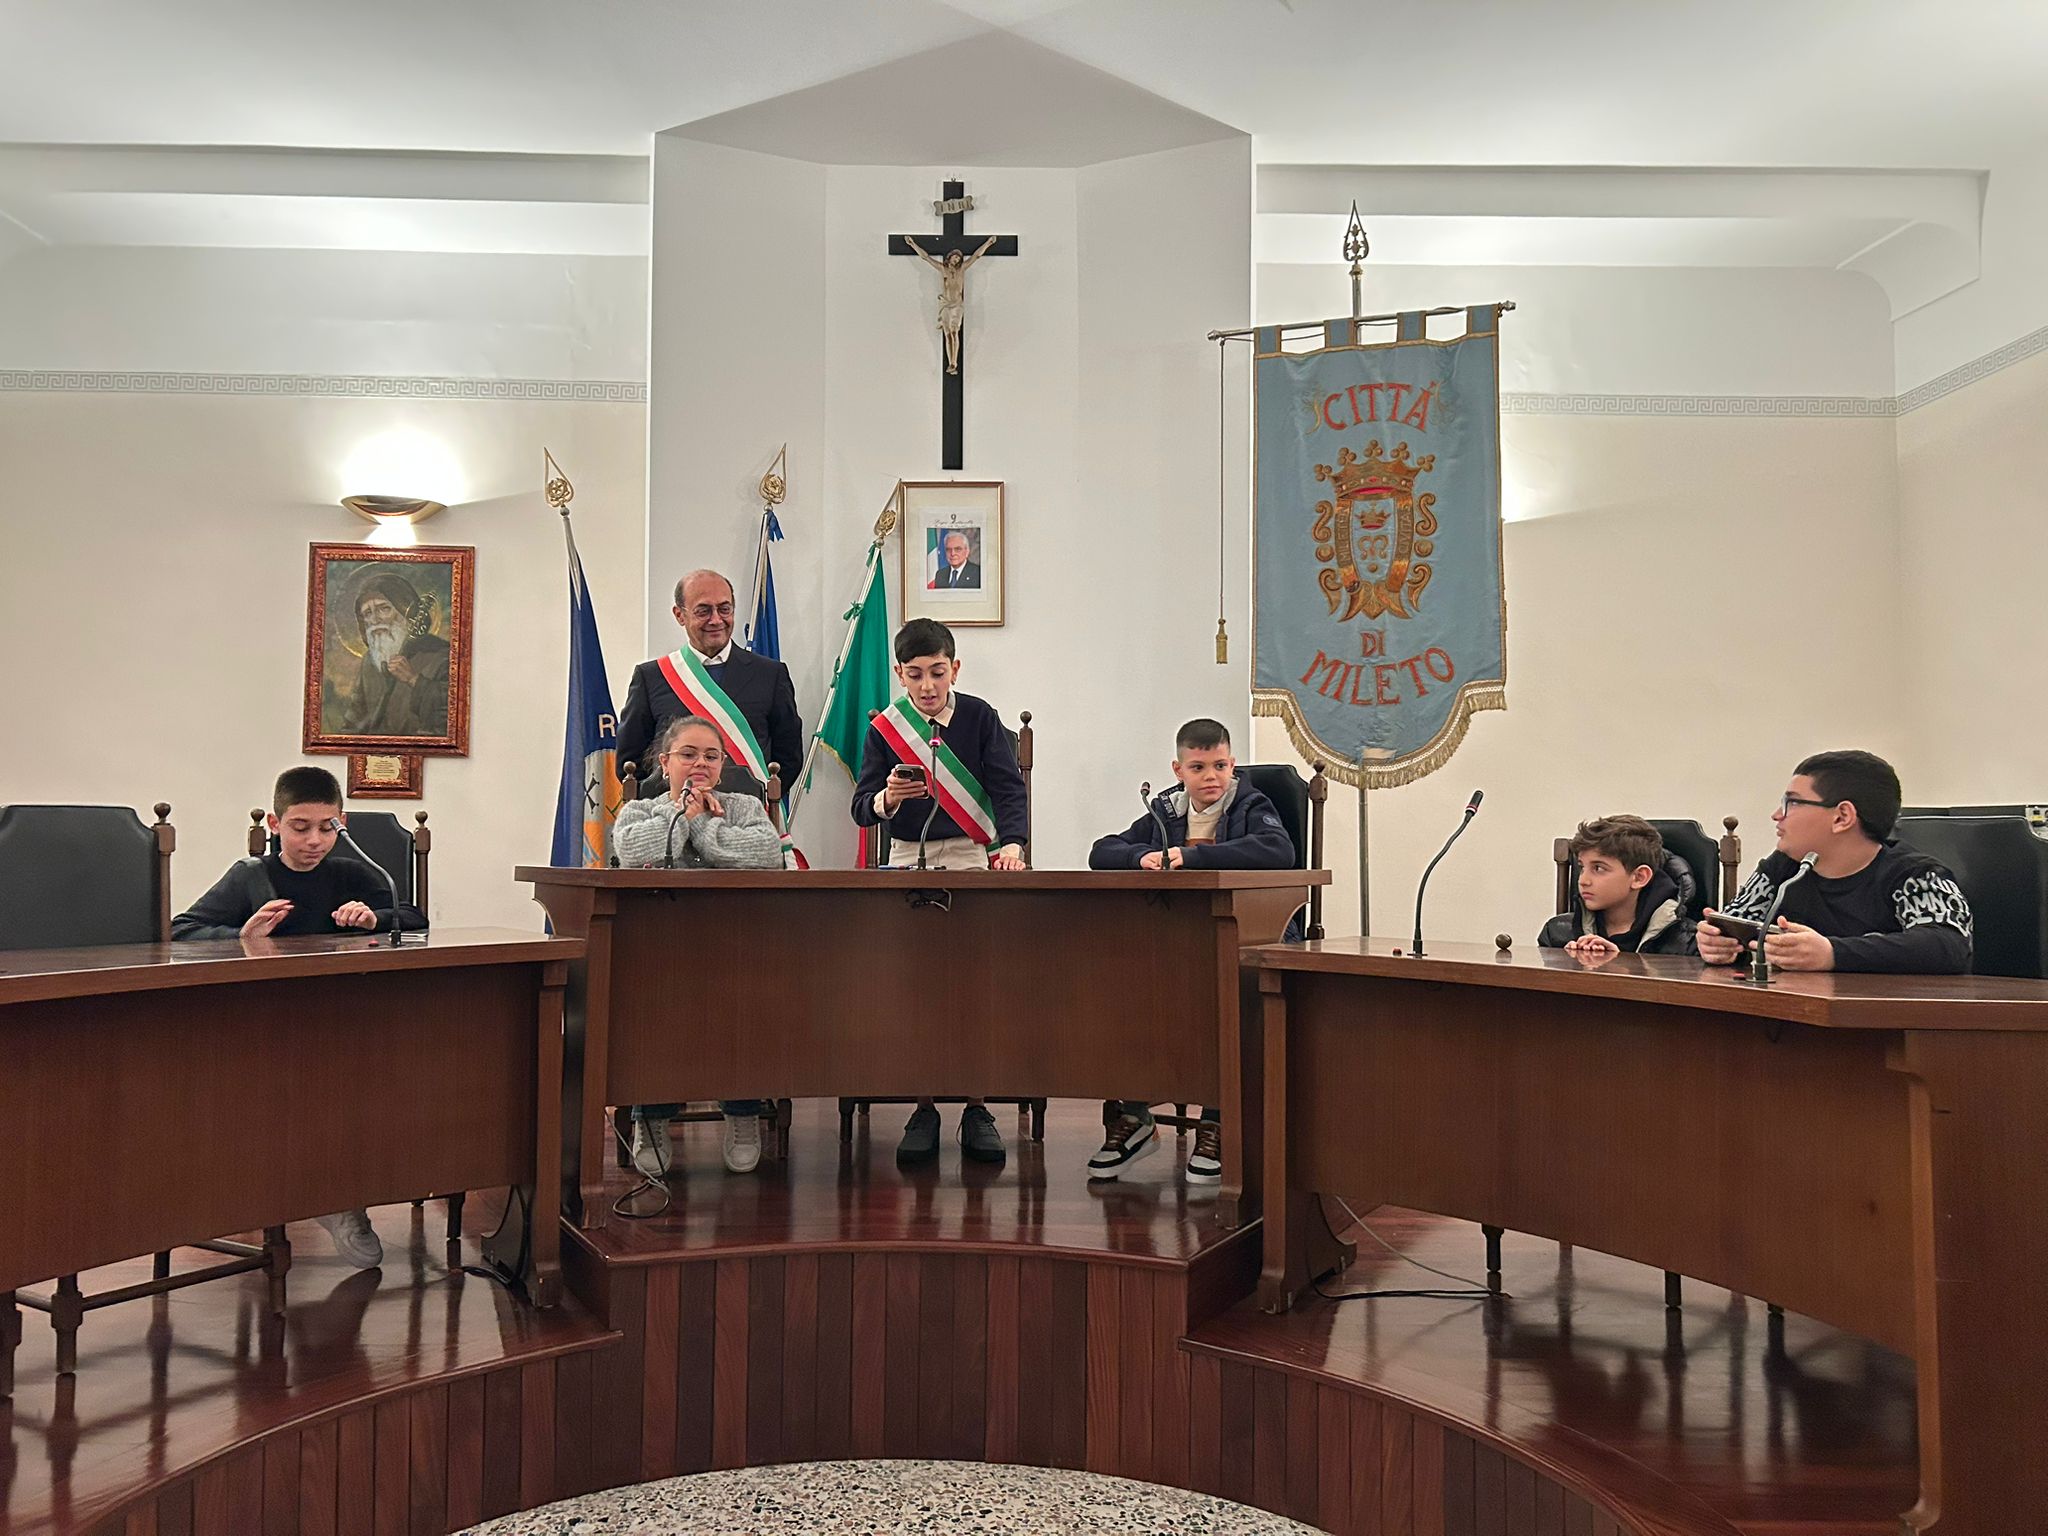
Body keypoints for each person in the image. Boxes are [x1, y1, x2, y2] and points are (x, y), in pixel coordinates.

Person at [172, 765, 426, 1269]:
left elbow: (414, 918)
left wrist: (375, 919)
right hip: (268, 1024)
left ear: (342, 824)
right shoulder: (251, 876)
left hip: (346, 1016)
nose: (314, 840)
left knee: (367, 1081)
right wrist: (241, 935)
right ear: (275, 824)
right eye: (300, 827)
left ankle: (340, 1195)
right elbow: (181, 931)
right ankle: (326, 1197)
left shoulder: (357, 873)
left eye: (327, 827)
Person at [1085, 718, 1297, 1184]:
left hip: (1249, 934)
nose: (1211, 777)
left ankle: (1217, 1119)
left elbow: (1277, 851)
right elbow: (1102, 851)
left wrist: (1193, 856)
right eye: (1198, 767)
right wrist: (1137, 857)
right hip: (1179, 938)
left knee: (1223, 998)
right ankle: (1135, 1116)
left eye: (1220, 765)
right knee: (1129, 994)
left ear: (1233, 765)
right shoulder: (1165, 809)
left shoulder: (1251, 803)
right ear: (1178, 770)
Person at [851, 616, 1030, 1165]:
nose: (927, 686)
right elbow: (860, 809)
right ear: (899, 674)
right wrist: (888, 798)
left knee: (974, 987)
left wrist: (1014, 845)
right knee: (918, 988)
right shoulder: (885, 728)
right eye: (915, 675)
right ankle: (923, 1106)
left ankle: (977, 1107)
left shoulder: (979, 717)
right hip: (908, 857)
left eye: (937, 672)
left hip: (971, 856)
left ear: (955, 668)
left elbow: (1007, 788)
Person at [613, 716, 784, 1180]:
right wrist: (681, 816)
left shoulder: (746, 806)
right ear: (665, 762)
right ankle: (651, 1119)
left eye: (711, 756)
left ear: (723, 765)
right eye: (688, 754)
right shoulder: (639, 810)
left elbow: (766, 854)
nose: (700, 764)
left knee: (744, 1007)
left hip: (734, 944)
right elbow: (635, 852)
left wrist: (704, 825)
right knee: (652, 1011)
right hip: (660, 948)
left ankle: (743, 1114)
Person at [1699, 750, 1973, 974]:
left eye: (1792, 803)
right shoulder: (1784, 868)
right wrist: (1717, 942)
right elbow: (1735, 922)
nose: (1777, 815)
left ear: (1842, 817)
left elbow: (1948, 944)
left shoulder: (1915, 875)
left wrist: (1832, 954)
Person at [615, 569, 803, 799]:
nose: (716, 620)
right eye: (703, 611)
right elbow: (630, 763)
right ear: (679, 615)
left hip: (748, 816)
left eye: (724, 609)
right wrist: (667, 806)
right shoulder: (651, 676)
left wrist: (760, 804)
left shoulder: (771, 674)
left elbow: (789, 757)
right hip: (674, 815)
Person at [1538, 815, 1698, 958]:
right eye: (1582, 867)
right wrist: (1568, 966)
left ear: (1639, 877)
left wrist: (1620, 965)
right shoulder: (1557, 933)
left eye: (1598, 868)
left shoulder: (1688, 942)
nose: (1583, 881)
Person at [340, 570, 451, 737]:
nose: (375, 620)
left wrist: (413, 679)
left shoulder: (441, 655)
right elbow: (354, 720)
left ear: (406, 611)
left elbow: (452, 711)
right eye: (368, 613)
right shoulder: (370, 662)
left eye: (384, 609)